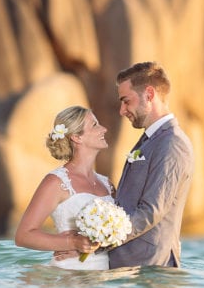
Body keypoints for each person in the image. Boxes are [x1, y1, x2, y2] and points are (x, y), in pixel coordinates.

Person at [108, 61, 194, 268]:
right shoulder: (150, 139)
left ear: (148, 94)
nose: (122, 110)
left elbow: (152, 211)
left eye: (126, 101)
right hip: (131, 266)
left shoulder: (172, 142)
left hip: (151, 269)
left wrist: (100, 240)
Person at [14, 105, 114, 270]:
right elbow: (23, 235)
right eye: (95, 125)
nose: (104, 129)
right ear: (76, 137)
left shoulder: (107, 184)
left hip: (105, 279)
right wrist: (71, 242)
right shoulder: (56, 182)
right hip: (70, 276)